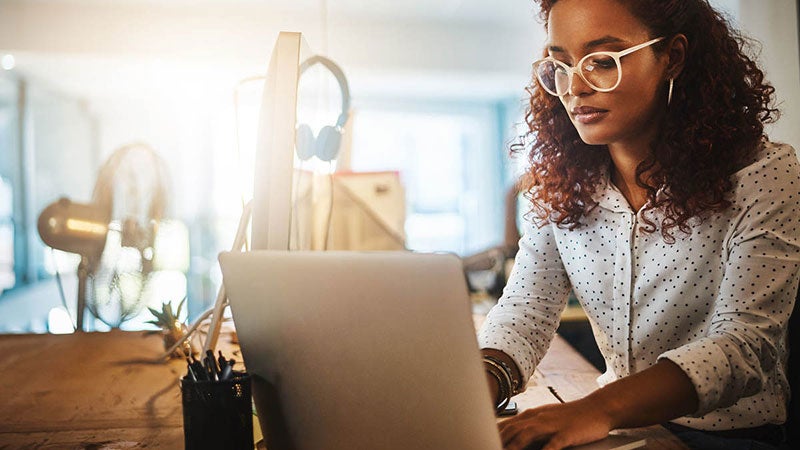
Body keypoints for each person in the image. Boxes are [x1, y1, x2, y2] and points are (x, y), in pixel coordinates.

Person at [477, 0, 800, 449]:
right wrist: (478, 386)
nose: (576, 88)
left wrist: (595, 410)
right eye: (561, 65)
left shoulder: (762, 173)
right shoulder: (562, 185)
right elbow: (525, 312)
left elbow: (744, 345)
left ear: (672, 57)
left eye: (603, 62)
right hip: (624, 432)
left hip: (731, 438)